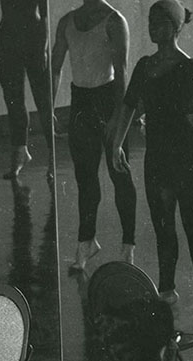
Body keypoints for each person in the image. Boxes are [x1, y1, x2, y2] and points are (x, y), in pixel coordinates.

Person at [111, 0, 193, 326]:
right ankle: (168, 292)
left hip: (186, 155)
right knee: (163, 227)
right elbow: (129, 106)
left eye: (159, 22)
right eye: (150, 22)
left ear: (174, 26)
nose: (152, 27)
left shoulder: (188, 66)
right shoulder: (144, 66)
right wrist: (116, 142)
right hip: (157, 157)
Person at [52, 0, 137, 272]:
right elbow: (54, 68)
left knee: (119, 174)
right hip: (81, 103)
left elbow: (122, 72)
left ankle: (128, 247)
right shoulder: (67, 21)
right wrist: (49, 108)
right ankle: (87, 241)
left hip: (107, 99)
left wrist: (118, 117)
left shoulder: (114, 21)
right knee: (85, 178)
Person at [0, 0, 54, 180]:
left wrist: (43, 46)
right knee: (13, 100)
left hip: (33, 38)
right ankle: (20, 152)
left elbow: (44, 12)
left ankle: (53, 158)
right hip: (9, 39)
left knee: (43, 101)